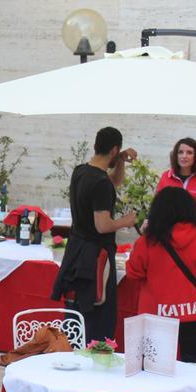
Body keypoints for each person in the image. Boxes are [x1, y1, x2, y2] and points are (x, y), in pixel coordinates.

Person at [50, 126, 137, 342]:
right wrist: (126, 221)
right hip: (96, 257)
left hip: (76, 250)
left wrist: (121, 161)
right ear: (114, 150)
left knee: (75, 313)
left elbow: (113, 182)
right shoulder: (100, 183)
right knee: (98, 315)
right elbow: (103, 225)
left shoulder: (81, 171)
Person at [126, 187, 196, 362]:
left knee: (153, 370)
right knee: (192, 369)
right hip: (194, 313)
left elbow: (133, 272)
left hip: (155, 315)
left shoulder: (147, 242)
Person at [155, 137, 196, 239]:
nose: (184, 156)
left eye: (189, 152)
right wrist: (149, 222)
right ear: (175, 156)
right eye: (180, 152)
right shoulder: (165, 177)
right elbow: (156, 207)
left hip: (193, 235)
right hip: (167, 234)